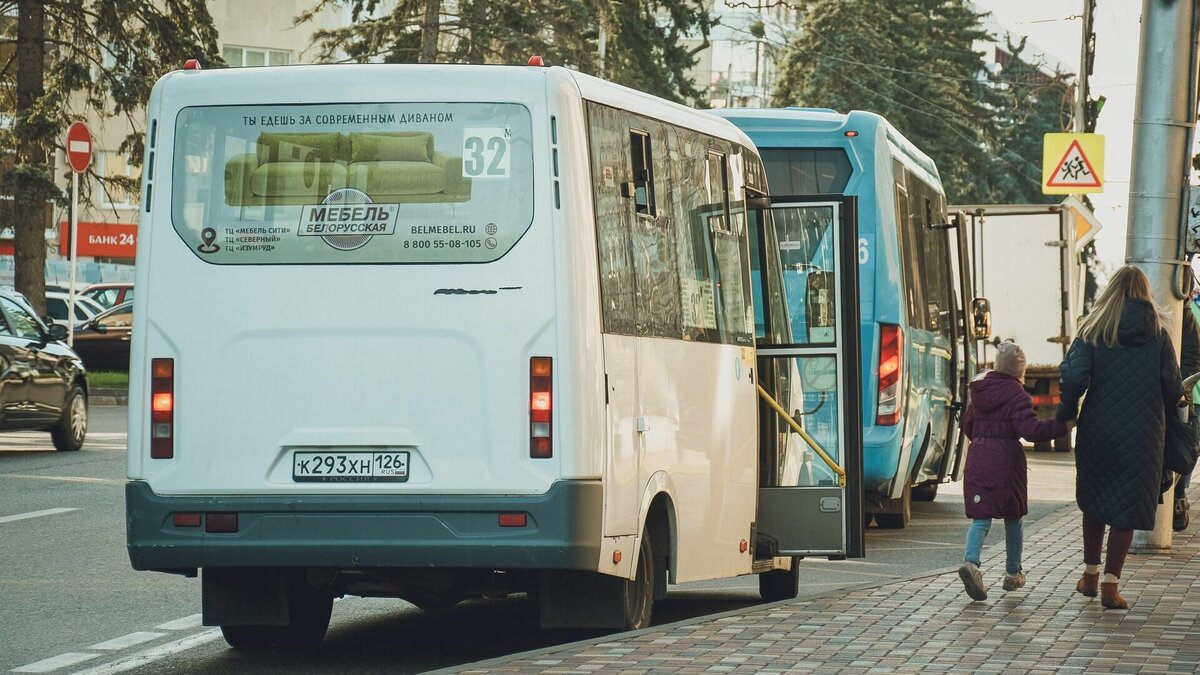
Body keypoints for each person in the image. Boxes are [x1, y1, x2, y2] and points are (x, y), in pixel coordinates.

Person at [1057, 265, 1184, 610]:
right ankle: (1111, 586)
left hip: (1099, 428)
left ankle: (1090, 576)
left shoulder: (1094, 328)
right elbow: (1172, 386)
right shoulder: (1158, 332)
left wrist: (1066, 412)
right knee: (1126, 508)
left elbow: (1073, 377)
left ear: (1111, 290)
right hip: (1145, 434)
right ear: (1146, 293)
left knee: (1096, 501)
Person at [957, 342, 1070, 601]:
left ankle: (971, 563)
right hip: (1007, 461)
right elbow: (1030, 431)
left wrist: (982, 441)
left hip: (978, 456)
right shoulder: (1017, 395)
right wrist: (1062, 426)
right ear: (1020, 371)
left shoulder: (980, 391)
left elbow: (968, 424)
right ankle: (1012, 573)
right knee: (1013, 517)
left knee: (981, 517)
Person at [1173, 290, 1200, 531]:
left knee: (1188, 450)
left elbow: (1192, 356)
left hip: (1188, 395)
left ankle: (1178, 495)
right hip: (1176, 393)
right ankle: (1176, 497)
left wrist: (1180, 388)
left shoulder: (1188, 314)